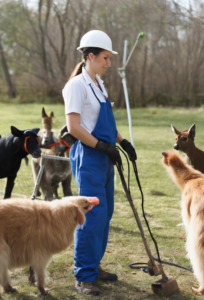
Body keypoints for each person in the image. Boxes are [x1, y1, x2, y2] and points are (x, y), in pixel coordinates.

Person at [63, 30, 137, 296]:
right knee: (91, 217)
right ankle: (83, 276)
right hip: (89, 157)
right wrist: (103, 146)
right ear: (90, 56)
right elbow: (74, 127)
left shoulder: (99, 84)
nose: (109, 63)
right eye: (105, 58)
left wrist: (122, 142)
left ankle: (94, 266)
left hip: (106, 158)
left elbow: (107, 123)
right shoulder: (76, 86)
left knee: (105, 214)